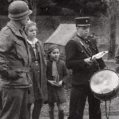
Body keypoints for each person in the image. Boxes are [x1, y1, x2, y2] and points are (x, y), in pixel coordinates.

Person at [65, 17, 106, 119]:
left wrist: (104, 69)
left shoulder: (91, 41)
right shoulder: (72, 43)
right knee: (76, 113)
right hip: (80, 84)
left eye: (88, 28)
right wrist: (84, 61)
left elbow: (98, 57)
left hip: (94, 82)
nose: (86, 30)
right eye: (83, 28)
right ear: (77, 28)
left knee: (96, 112)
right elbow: (69, 63)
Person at [0, 1, 32, 119]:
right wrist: (8, 73)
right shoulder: (7, 33)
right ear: (20, 17)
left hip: (22, 83)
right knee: (10, 116)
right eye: (27, 15)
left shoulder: (20, 31)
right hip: (12, 85)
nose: (28, 17)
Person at [25, 21, 48, 119]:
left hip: (40, 74)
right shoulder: (24, 43)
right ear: (26, 32)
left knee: (40, 99)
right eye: (31, 31)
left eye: (35, 30)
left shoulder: (39, 43)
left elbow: (43, 57)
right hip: (29, 75)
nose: (34, 32)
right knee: (28, 100)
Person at [46, 45, 67, 119]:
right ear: (49, 54)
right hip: (50, 89)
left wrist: (62, 81)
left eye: (57, 53)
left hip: (59, 88)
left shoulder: (62, 63)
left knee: (61, 107)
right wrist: (48, 81)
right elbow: (42, 77)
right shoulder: (46, 63)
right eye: (54, 53)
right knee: (50, 107)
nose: (56, 54)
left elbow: (66, 75)